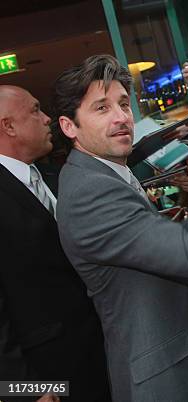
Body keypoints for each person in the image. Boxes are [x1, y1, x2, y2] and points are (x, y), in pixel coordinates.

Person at [53, 55, 188, 402]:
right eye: (101, 108)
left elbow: (179, 247)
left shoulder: (105, 174)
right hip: (165, 380)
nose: (121, 117)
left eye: (124, 104)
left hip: (178, 362)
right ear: (69, 126)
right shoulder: (89, 191)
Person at [0, 85, 110, 401]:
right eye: (35, 110)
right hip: (49, 377)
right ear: (8, 126)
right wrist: (24, 391)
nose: (47, 118)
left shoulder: (53, 176)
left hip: (98, 352)